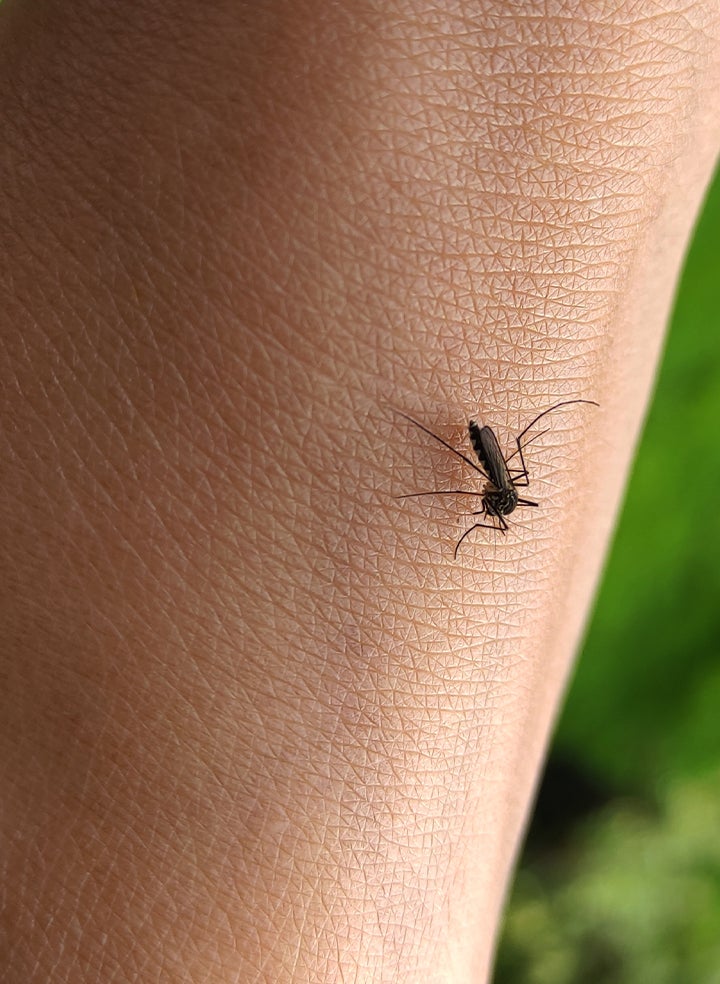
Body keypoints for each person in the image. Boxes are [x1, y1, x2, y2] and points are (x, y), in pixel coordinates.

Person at [2, 2, 719, 980]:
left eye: (497, 506)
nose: (497, 506)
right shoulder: (496, 483)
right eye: (499, 505)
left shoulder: (494, 491)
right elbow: (503, 475)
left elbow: (498, 488)